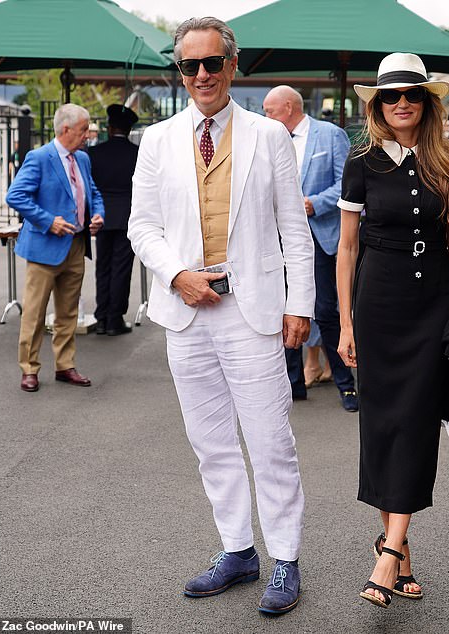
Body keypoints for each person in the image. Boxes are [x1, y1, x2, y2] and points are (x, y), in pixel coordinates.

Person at [127, 17, 314, 615]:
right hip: (187, 312)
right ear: (180, 72)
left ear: (233, 66)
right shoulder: (157, 140)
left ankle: (284, 557)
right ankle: (239, 551)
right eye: (190, 66)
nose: (202, 75)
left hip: (251, 311)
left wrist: (300, 304)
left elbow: (294, 229)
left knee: (270, 440)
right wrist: (176, 275)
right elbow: (142, 227)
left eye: (212, 63)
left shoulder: (268, 136)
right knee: (210, 443)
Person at [335, 53, 449, 608]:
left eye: (412, 95)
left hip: (433, 305)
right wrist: (345, 323)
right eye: (391, 96)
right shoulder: (362, 159)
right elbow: (346, 249)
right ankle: (401, 549)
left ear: (427, 102)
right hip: (378, 303)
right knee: (383, 423)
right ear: (377, 104)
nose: (402, 104)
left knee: (418, 421)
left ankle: (387, 553)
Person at [263, 85, 358, 411]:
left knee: (327, 313)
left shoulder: (329, 134)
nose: (266, 116)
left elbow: (347, 184)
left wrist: (313, 204)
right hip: (279, 239)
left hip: (320, 237)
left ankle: (347, 386)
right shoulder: (269, 138)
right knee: (282, 310)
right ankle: (292, 385)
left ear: (288, 107)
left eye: (270, 110)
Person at [6, 104, 105, 393]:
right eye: (84, 129)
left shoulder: (83, 159)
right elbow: (15, 195)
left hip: (76, 246)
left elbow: (94, 192)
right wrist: (48, 221)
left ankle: (65, 366)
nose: (88, 134)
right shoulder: (39, 157)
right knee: (35, 314)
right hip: (44, 249)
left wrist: (97, 215)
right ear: (66, 129)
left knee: (68, 313)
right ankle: (29, 368)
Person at [88, 104, 139, 336]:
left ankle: (100, 318)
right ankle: (114, 320)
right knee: (121, 268)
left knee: (103, 267)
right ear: (129, 130)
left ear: (109, 128)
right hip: (128, 215)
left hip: (102, 216)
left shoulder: (95, 153)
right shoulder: (136, 153)